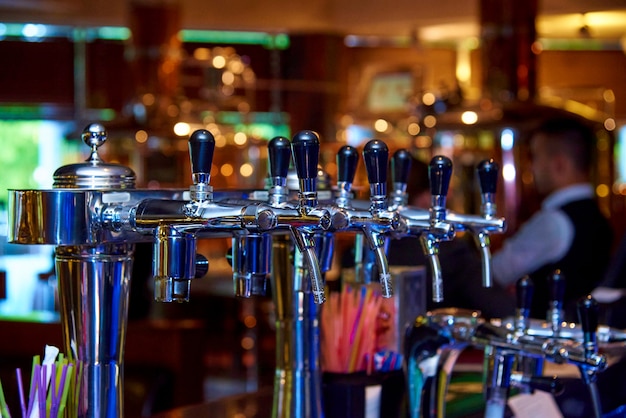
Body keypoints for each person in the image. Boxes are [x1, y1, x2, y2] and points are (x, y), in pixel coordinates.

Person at [492, 116, 614, 321]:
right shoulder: (597, 216)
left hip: (546, 342)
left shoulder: (554, 222)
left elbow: (496, 272)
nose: (531, 168)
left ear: (559, 164)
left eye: (535, 158)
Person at [386, 156, 516, 319]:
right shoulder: (452, 253)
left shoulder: (360, 250)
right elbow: (500, 308)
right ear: (427, 197)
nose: (450, 194)